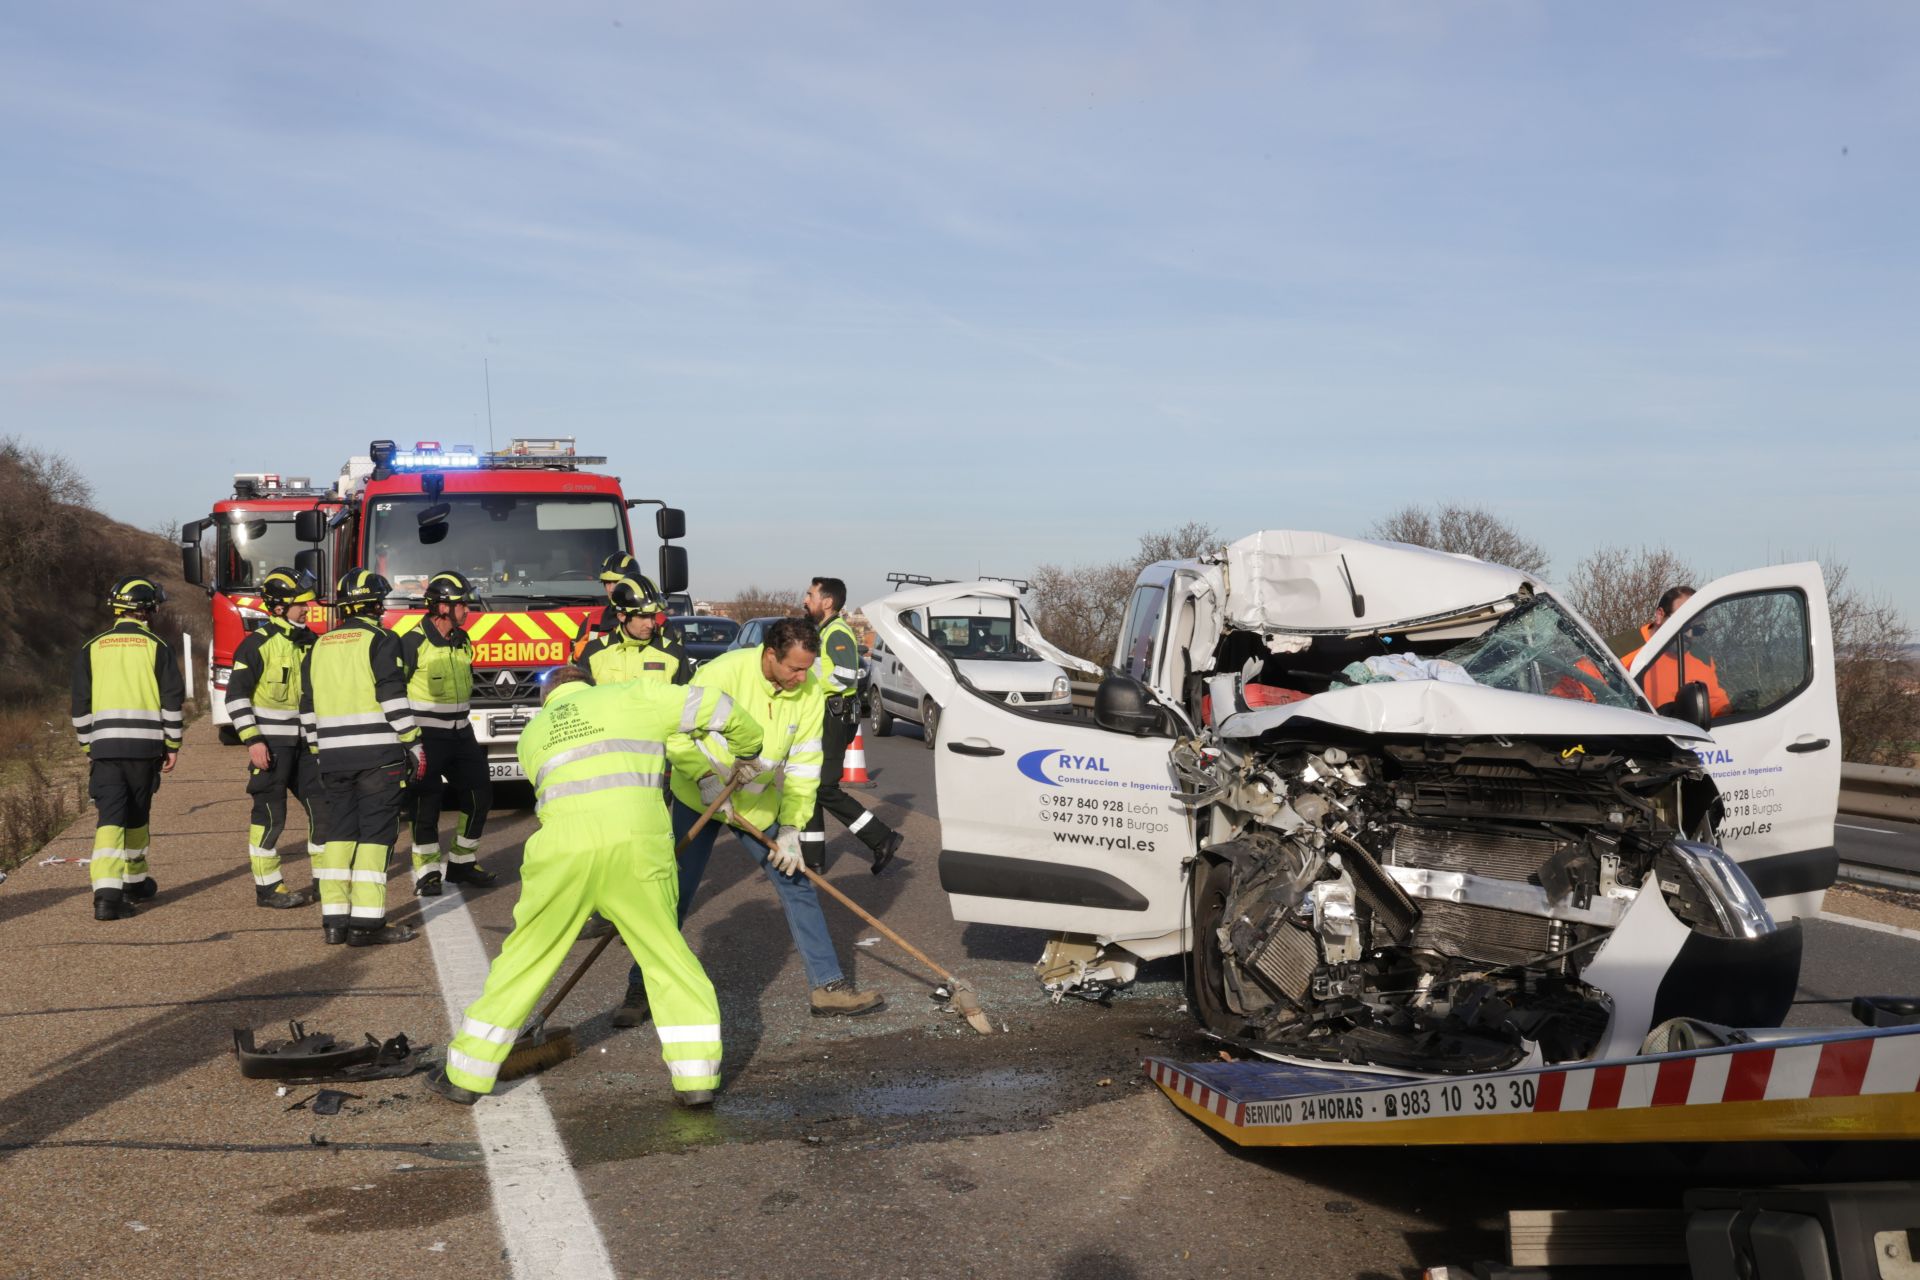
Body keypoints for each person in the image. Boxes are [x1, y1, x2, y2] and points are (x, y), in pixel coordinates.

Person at [425, 665, 762, 1108]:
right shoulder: (633, 694)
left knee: (526, 959)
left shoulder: (533, 734)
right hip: (636, 849)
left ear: (549, 699)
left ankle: (465, 1073)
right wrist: (747, 750)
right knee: (666, 958)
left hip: (562, 853)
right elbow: (721, 707)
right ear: (588, 684)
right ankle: (696, 1078)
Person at [610, 616, 885, 1028]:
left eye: (807, 667)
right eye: (794, 667)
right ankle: (641, 984)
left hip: (756, 804)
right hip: (700, 798)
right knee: (674, 895)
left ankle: (827, 988)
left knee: (797, 883)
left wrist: (792, 827)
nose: (801, 676)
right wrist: (703, 778)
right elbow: (675, 734)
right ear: (770, 655)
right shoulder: (722, 673)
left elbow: (806, 765)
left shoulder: (808, 689)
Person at [301, 568, 420, 946]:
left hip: (333, 756)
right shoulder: (382, 639)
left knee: (339, 833)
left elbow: (307, 706)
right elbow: (391, 695)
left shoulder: (319, 645)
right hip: (377, 756)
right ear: (376, 605)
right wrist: (413, 741)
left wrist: (318, 748)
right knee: (375, 836)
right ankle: (367, 924)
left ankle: (334, 919)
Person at [71, 575, 185, 920]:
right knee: (137, 815)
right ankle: (133, 882)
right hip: (145, 748)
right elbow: (171, 702)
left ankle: (110, 893)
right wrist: (173, 743)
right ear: (146, 609)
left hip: (104, 748)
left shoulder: (91, 647)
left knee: (110, 818)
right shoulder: (158, 647)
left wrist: (88, 745)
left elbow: (80, 705)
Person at [226, 567, 325, 909]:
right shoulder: (255, 645)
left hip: (309, 747)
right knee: (270, 816)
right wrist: (253, 741)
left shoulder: (314, 643)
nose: (308, 609)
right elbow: (236, 698)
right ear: (280, 607)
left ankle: (326, 882)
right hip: (270, 747)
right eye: (301, 604)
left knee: (323, 811)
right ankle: (268, 888)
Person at [401, 571, 497, 896]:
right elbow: (392, 692)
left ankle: (462, 863)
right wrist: (405, 740)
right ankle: (427, 873)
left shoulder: (463, 640)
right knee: (426, 805)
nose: (467, 610)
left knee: (479, 794)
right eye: (461, 604)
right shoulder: (413, 643)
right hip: (427, 737)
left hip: (461, 735)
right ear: (442, 607)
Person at [801, 576, 901, 876]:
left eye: (810, 595)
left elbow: (846, 675)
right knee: (809, 787)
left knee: (823, 788)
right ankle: (812, 858)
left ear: (827, 602)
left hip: (834, 717)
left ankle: (883, 838)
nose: (805, 600)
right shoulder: (825, 631)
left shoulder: (837, 633)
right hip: (825, 718)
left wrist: (806, 688)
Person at [1619, 585, 1732, 717]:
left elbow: (1717, 707)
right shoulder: (1618, 651)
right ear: (1660, 615)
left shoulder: (1702, 659)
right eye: (1682, 625)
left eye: (1697, 630)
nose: (1689, 635)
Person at [578, 576, 689, 686]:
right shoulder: (592, 653)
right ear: (622, 616)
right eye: (642, 617)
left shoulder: (675, 654)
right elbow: (578, 698)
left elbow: (686, 701)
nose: (650, 624)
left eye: (653, 616)